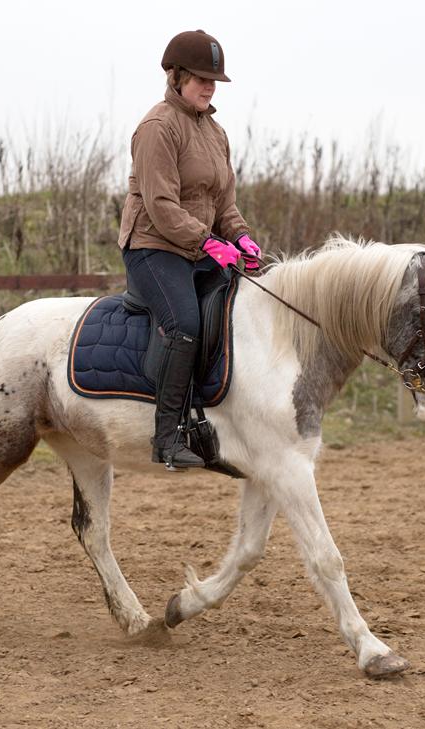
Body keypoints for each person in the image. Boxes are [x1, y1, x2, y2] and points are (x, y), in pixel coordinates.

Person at [117, 29, 261, 470]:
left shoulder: (216, 132)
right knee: (184, 323)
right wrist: (208, 243)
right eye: (200, 78)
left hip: (201, 249)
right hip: (153, 246)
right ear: (177, 76)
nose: (209, 86)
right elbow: (161, 208)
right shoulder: (157, 128)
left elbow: (224, 204)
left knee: (244, 308)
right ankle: (167, 437)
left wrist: (241, 238)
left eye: (214, 80)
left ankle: (224, 423)